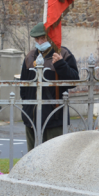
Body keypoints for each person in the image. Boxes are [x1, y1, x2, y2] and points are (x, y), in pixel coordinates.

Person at [20, 22, 79, 151]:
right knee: (32, 156)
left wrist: (60, 64)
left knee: (54, 155)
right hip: (31, 118)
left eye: (43, 38)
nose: (40, 42)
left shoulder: (62, 53)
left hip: (54, 118)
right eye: (37, 39)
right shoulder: (30, 57)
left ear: (50, 37)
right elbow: (23, 86)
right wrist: (26, 108)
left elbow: (74, 81)